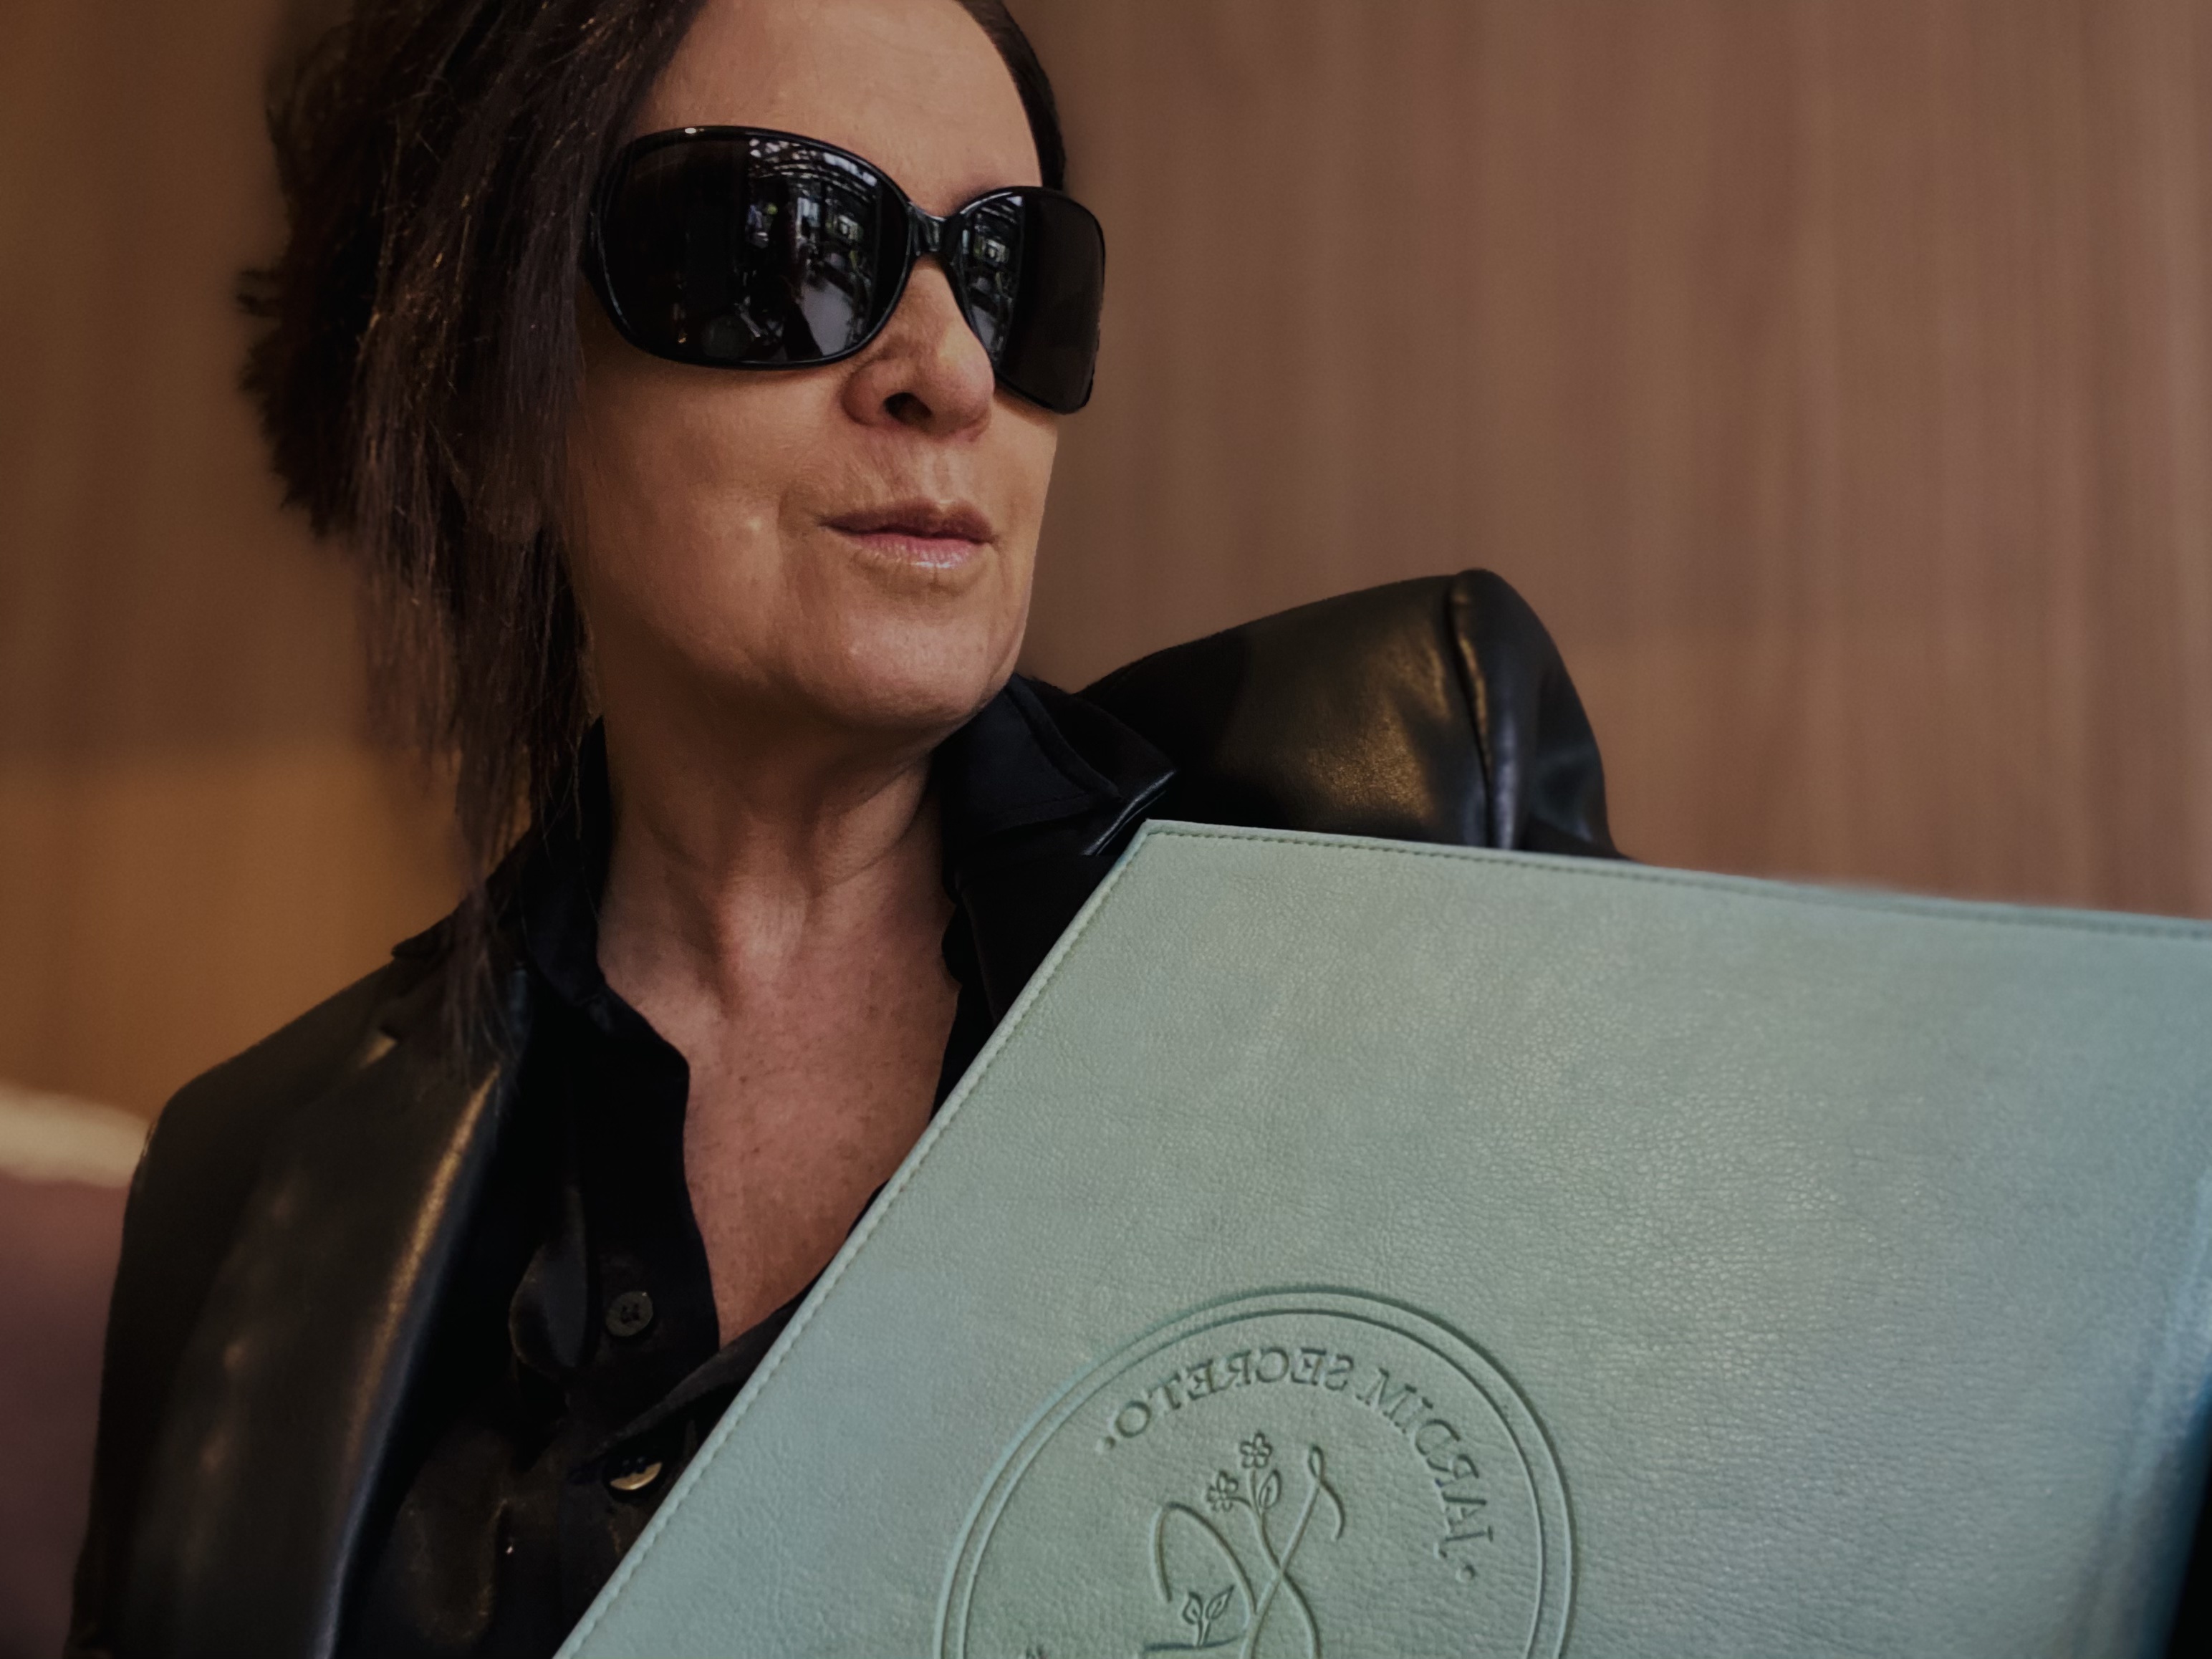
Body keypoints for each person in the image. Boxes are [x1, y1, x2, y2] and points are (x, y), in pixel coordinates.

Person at [66, 1, 1615, 1655]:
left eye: (1009, 273)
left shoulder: (1398, 845)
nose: (950, 373)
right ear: (494, 418)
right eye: (784, 248)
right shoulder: (249, 1195)